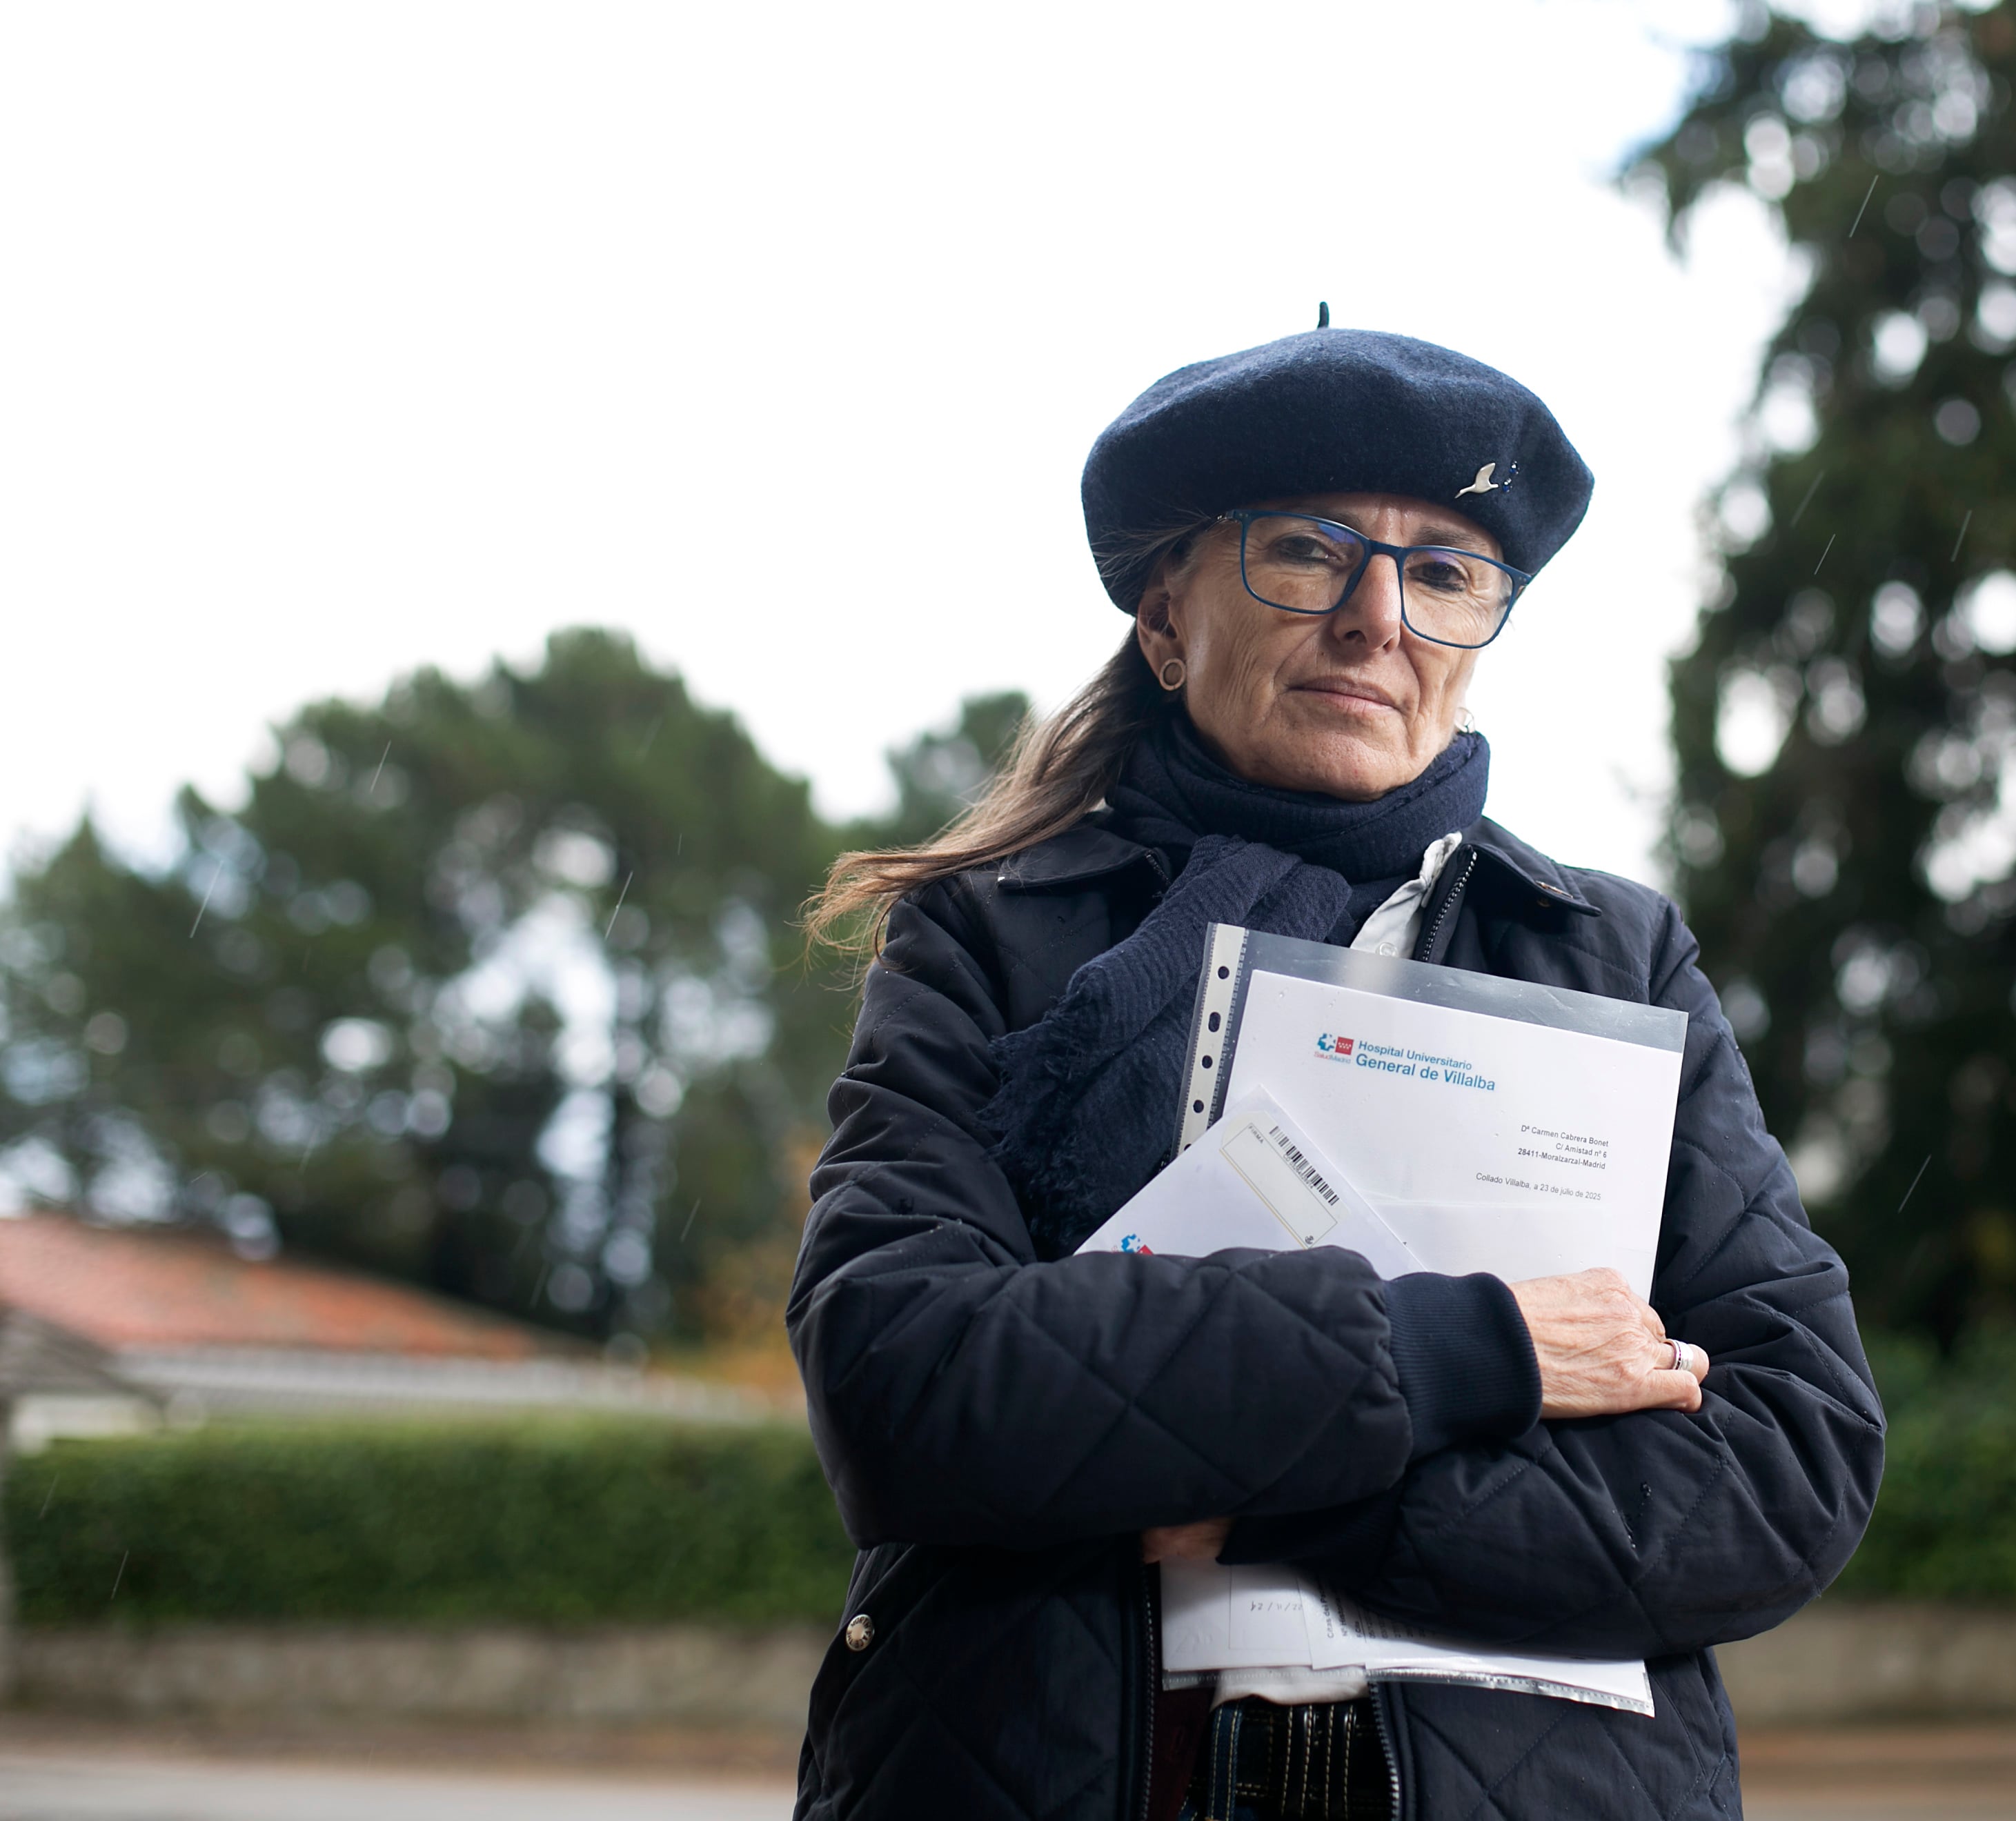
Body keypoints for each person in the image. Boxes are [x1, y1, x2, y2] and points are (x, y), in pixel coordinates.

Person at [789, 326, 1884, 1821]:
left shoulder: (1616, 958)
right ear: (1169, 617)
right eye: (1309, 554)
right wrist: (1459, 1355)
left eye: (1443, 574)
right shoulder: (988, 940)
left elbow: (1788, 1464)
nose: (1380, 620)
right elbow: (902, 1379)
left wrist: (1278, 1492)